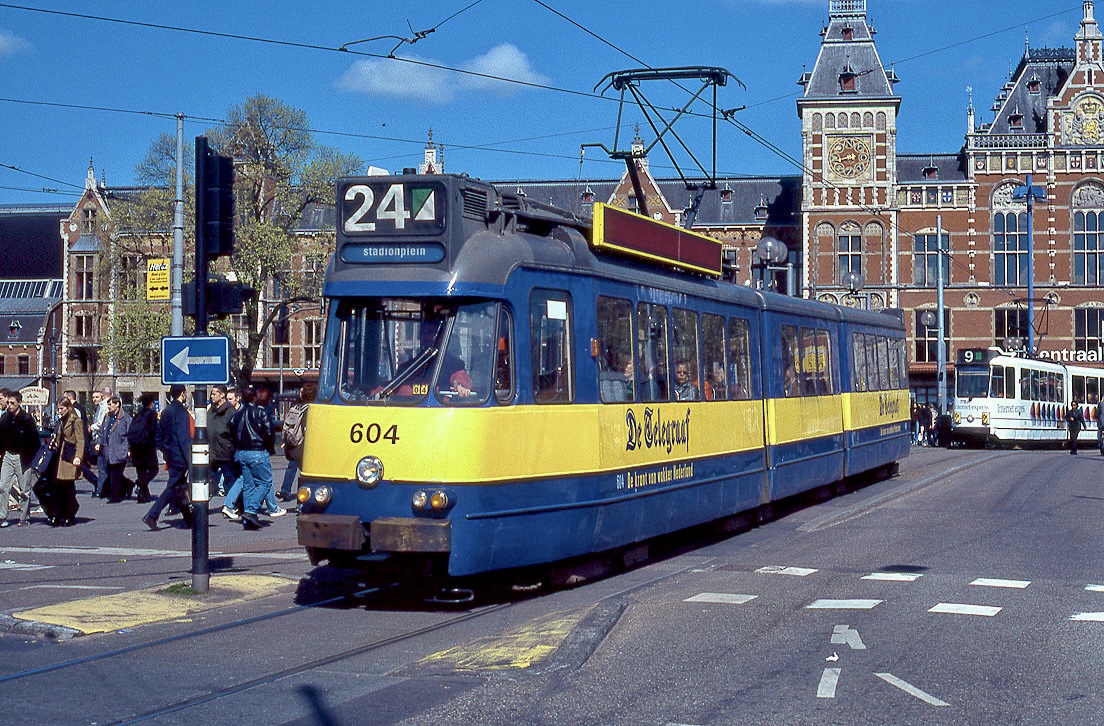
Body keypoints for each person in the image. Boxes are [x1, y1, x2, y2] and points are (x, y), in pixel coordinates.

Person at [143, 385, 192, 530]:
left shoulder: (166, 411)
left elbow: (158, 436)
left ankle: (189, 518)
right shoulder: (182, 413)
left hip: (170, 454)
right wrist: (189, 460)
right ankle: (152, 515)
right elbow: (184, 439)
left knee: (179, 488)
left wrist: (166, 451)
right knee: (172, 487)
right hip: (180, 456)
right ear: (183, 394)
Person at [229, 385, 278, 530]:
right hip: (257, 450)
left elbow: (231, 431)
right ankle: (251, 511)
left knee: (248, 485)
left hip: (242, 452)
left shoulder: (237, 414)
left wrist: (238, 446)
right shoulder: (260, 412)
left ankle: (248, 517)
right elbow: (269, 432)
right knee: (265, 483)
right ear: (254, 397)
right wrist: (269, 447)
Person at [0, 391, 42, 527]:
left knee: (24, 489)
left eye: (12, 403)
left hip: (22, 457)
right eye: (8, 403)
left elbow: (35, 441)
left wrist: (29, 456)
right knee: (3, 486)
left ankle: (24, 517)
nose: (9, 405)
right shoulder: (5, 417)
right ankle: (2, 516)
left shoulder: (27, 419)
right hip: (8, 455)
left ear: (19, 403)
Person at [45, 397, 84, 527]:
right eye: (58, 409)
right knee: (58, 487)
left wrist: (78, 456)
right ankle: (59, 514)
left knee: (68, 487)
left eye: (62, 409)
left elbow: (80, 440)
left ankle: (69, 515)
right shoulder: (61, 421)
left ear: (69, 408)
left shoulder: (76, 421)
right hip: (59, 457)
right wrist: (54, 443)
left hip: (69, 456)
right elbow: (59, 437)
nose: (59, 411)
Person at [277, 382, 316, 502]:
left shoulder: (296, 408)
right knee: (306, 472)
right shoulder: (312, 409)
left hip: (293, 443)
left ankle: (285, 490)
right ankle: (302, 499)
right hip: (304, 444)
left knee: (292, 466)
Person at [98, 396, 131, 503]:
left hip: (120, 450)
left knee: (115, 474)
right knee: (111, 472)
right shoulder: (107, 417)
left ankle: (115, 496)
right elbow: (102, 432)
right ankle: (128, 485)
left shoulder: (125, 418)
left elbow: (130, 434)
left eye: (110, 404)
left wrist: (130, 449)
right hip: (108, 450)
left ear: (117, 404)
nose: (108, 407)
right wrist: (99, 442)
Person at [128, 392, 159, 503]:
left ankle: (143, 494)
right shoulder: (152, 414)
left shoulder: (138, 415)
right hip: (147, 446)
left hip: (135, 446)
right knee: (154, 469)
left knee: (141, 470)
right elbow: (154, 430)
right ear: (152, 403)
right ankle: (140, 484)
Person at [207, 384, 236, 498]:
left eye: (214, 394)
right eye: (211, 393)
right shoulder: (211, 410)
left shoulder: (230, 411)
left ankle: (232, 504)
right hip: (212, 453)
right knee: (206, 481)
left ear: (222, 395)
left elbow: (236, 432)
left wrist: (231, 447)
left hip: (226, 453)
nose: (211, 396)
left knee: (230, 481)